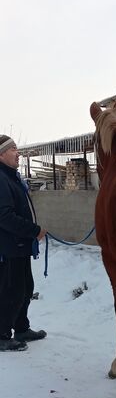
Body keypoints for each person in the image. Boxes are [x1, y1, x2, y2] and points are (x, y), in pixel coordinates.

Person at [0, 134, 47, 351]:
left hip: (19, 245)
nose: (18, 154)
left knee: (26, 288)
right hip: (9, 247)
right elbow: (5, 217)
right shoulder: (1, 178)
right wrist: (33, 230)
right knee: (12, 291)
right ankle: (1, 335)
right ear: (1, 154)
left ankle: (21, 328)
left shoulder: (11, 176)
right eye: (13, 150)